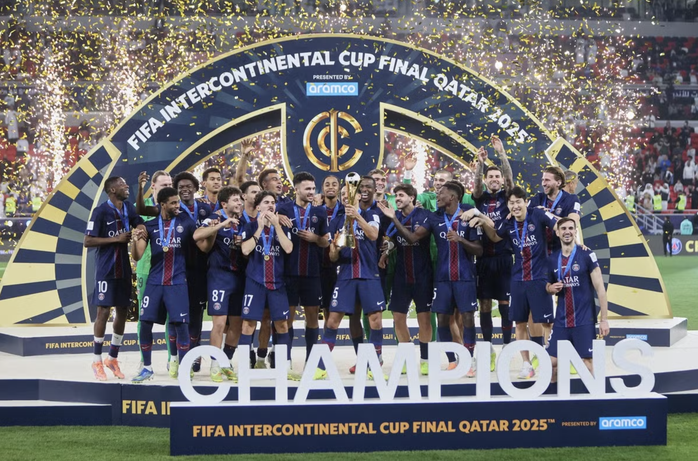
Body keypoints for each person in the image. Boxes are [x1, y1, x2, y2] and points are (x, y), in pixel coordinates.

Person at [472, 186, 560, 379]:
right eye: (511, 203)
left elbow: (558, 227)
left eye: (518, 202)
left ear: (525, 202)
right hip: (518, 280)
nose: (515, 206)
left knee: (546, 323)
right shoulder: (508, 223)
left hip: (539, 278)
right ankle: (526, 365)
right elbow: (495, 236)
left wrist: (572, 243)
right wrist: (483, 220)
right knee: (519, 323)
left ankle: (550, 361)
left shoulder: (538, 215)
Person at [136, 171, 214, 375]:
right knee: (146, 323)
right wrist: (135, 239)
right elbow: (137, 255)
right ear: (162, 204)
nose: (177, 205)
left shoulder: (189, 220)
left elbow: (203, 245)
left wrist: (217, 228)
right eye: (173, 203)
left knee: (183, 322)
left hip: (182, 279)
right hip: (156, 280)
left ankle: (184, 365)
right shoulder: (151, 224)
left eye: (178, 202)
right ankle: (149, 366)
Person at [315, 176, 386, 380]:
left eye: (351, 195)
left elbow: (373, 235)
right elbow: (332, 256)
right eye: (344, 195)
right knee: (333, 321)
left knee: (375, 320)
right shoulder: (337, 220)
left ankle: (373, 365)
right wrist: (336, 248)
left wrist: (357, 217)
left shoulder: (371, 214)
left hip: (368, 274)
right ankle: (320, 367)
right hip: (346, 275)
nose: (347, 198)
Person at [84, 177, 145, 381]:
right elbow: (88, 241)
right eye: (122, 184)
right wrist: (116, 239)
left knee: (123, 311)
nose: (126, 186)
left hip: (124, 268)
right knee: (103, 312)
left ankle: (112, 358)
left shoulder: (128, 207)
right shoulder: (100, 212)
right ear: (112, 190)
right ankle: (96, 360)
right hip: (106, 269)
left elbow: (139, 222)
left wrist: (140, 230)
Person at [462, 137, 515, 370]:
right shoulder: (480, 198)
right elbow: (475, 185)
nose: (494, 179)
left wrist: (501, 153)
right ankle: (488, 349)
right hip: (483, 259)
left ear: (501, 180)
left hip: (503, 257)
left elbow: (511, 179)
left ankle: (507, 347)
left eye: (497, 177)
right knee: (484, 305)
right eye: (490, 177)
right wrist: (480, 164)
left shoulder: (507, 197)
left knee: (504, 305)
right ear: (486, 180)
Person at [239, 191, 299, 380]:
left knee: (282, 324)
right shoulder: (249, 226)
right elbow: (245, 250)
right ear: (258, 207)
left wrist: (277, 226)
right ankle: (245, 366)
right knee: (248, 324)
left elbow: (288, 248)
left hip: (277, 283)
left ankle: (284, 366)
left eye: (273, 202)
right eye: (266, 202)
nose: (271, 205)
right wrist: (259, 229)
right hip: (255, 282)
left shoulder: (282, 227)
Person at [378, 183, 434, 375]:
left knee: (424, 319)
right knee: (398, 318)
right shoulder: (394, 216)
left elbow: (412, 238)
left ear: (412, 197)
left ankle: (425, 359)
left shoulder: (424, 215)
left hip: (423, 275)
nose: (397, 199)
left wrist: (393, 218)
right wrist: (386, 252)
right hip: (401, 275)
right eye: (396, 196)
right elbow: (393, 239)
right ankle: (406, 357)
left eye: (401, 195)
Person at [546, 218, 609, 379]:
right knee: (551, 363)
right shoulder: (552, 259)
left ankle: (593, 394)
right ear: (557, 233)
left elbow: (600, 289)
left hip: (584, 320)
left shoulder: (587, 255)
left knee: (587, 363)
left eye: (570, 228)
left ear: (575, 231)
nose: (567, 231)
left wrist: (604, 320)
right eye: (563, 229)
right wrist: (550, 288)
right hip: (562, 321)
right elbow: (547, 285)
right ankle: (553, 394)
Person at [193, 186, 246, 382]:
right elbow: (197, 235)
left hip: (239, 277)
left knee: (237, 324)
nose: (239, 203)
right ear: (224, 204)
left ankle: (226, 362)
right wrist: (220, 225)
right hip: (219, 277)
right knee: (219, 323)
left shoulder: (243, 221)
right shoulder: (214, 218)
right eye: (235, 200)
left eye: (240, 200)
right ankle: (215, 366)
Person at [276, 172, 330, 364]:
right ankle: (286, 360)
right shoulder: (282, 209)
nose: (311, 192)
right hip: (288, 273)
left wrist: (316, 238)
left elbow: (326, 241)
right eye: (307, 188)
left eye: (313, 188)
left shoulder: (320, 212)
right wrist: (276, 217)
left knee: (312, 317)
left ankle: (311, 360)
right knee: (287, 318)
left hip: (312, 273)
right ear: (296, 189)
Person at [135, 170, 173, 370]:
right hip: (146, 269)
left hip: (170, 269)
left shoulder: (174, 207)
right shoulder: (142, 208)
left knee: (171, 316)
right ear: (153, 187)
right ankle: (144, 360)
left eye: (170, 184)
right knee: (144, 317)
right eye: (164, 185)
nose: (168, 187)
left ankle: (172, 359)